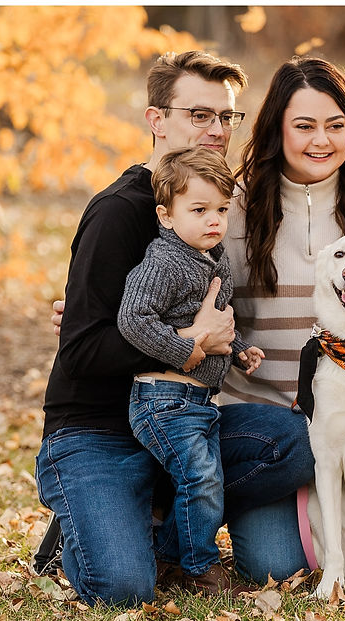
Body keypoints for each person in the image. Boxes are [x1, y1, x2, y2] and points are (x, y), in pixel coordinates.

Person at [46, 52, 345, 594]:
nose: (320, 140)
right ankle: (121, 517)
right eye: (303, 126)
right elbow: (174, 280)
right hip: (267, 420)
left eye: (335, 125)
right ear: (277, 129)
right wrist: (98, 315)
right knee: (273, 566)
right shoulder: (228, 207)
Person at [37, 49, 314, 605]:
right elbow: (81, 350)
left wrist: (231, 346)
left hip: (181, 418)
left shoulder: (214, 206)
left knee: (294, 442)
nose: (216, 130)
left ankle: (165, 519)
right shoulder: (120, 212)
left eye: (226, 117)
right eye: (199, 115)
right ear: (156, 119)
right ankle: (90, 524)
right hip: (98, 431)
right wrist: (189, 344)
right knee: (122, 587)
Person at [118, 146, 264, 593]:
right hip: (162, 400)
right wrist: (187, 350)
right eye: (199, 210)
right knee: (200, 480)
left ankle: (167, 560)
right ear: (166, 216)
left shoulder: (213, 258)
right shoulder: (164, 262)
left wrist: (239, 349)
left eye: (221, 209)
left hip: (198, 401)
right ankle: (201, 569)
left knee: (205, 481)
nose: (213, 220)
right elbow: (133, 319)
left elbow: (214, 321)